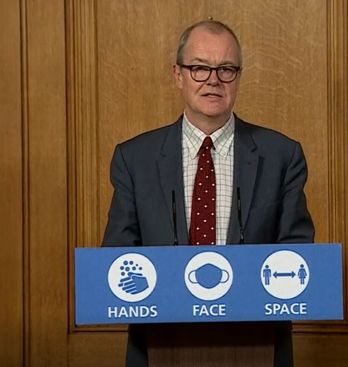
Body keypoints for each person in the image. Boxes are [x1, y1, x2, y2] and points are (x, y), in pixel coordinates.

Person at [102, 19, 314, 367]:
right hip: (159, 345)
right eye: (200, 68)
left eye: (226, 69)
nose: (213, 80)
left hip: (255, 345)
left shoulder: (282, 155)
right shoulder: (134, 159)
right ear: (178, 75)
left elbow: (297, 253)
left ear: (238, 77)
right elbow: (118, 257)